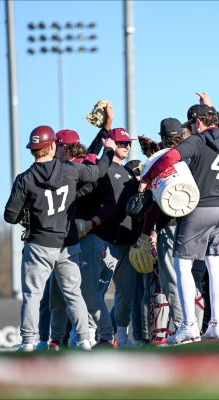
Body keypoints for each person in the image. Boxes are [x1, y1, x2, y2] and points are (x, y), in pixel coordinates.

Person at [4, 125, 116, 351]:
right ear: (52, 146)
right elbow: (97, 172)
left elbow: (10, 216)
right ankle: (85, 339)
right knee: (74, 295)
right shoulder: (70, 170)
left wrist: (28, 212)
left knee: (33, 297)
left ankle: (28, 342)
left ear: (33, 150)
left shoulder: (24, 179)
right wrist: (109, 152)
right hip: (68, 244)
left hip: (38, 245)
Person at [141, 103, 219, 345]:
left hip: (202, 207)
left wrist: (147, 176)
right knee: (215, 265)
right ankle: (215, 324)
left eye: (192, 124)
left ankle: (189, 326)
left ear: (199, 122)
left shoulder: (198, 140)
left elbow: (172, 156)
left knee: (181, 264)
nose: (191, 128)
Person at [80, 127, 142, 347]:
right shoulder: (102, 169)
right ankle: (87, 335)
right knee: (96, 291)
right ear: (111, 144)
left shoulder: (127, 172)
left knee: (126, 293)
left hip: (127, 241)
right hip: (105, 239)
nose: (126, 146)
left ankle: (122, 336)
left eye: (128, 143)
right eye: (122, 143)